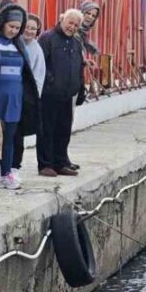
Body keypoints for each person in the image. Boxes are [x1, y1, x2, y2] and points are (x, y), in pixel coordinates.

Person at [0, 3, 39, 191]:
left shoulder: (18, 44)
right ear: (2, 23)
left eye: (17, 28)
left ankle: (6, 173)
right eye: (11, 26)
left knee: (10, 137)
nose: (13, 30)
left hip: (14, 97)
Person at [37, 9, 85, 176]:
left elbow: (80, 66)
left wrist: (81, 88)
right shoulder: (47, 38)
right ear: (62, 19)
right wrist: (51, 81)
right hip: (50, 93)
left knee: (64, 129)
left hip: (67, 93)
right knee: (47, 129)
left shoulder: (76, 43)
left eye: (75, 25)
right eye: (70, 23)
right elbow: (41, 63)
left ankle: (60, 162)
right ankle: (45, 164)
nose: (72, 27)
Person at [12, 13, 44, 173]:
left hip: (26, 97)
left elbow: (39, 75)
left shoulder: (37, 49)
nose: (30, 31)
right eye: (27, 27)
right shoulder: (13, 43)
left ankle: (15, 166)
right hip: (10, 94)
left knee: (19, 134)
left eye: (33, 29)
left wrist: (33, 96)